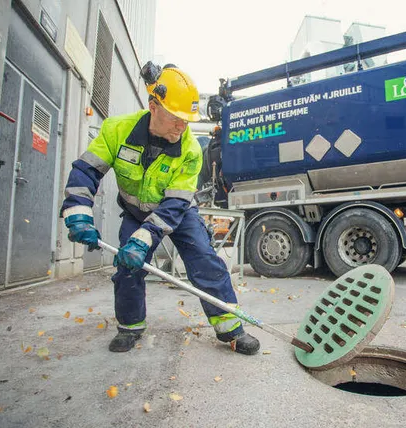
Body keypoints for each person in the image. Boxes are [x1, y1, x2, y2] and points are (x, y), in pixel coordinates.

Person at [60, 62, 260, 355]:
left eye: (187, 121)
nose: (182, 127)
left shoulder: (191, 150)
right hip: (135, 212)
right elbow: (86, 171)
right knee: (128, 266)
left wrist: (144, 238)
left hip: (178, 212)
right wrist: (78, 214)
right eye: (176, 118)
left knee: (205, 260)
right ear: (153, 107)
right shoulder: (117, 130)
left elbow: (175, 203)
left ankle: (231, 329)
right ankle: (130, 327)